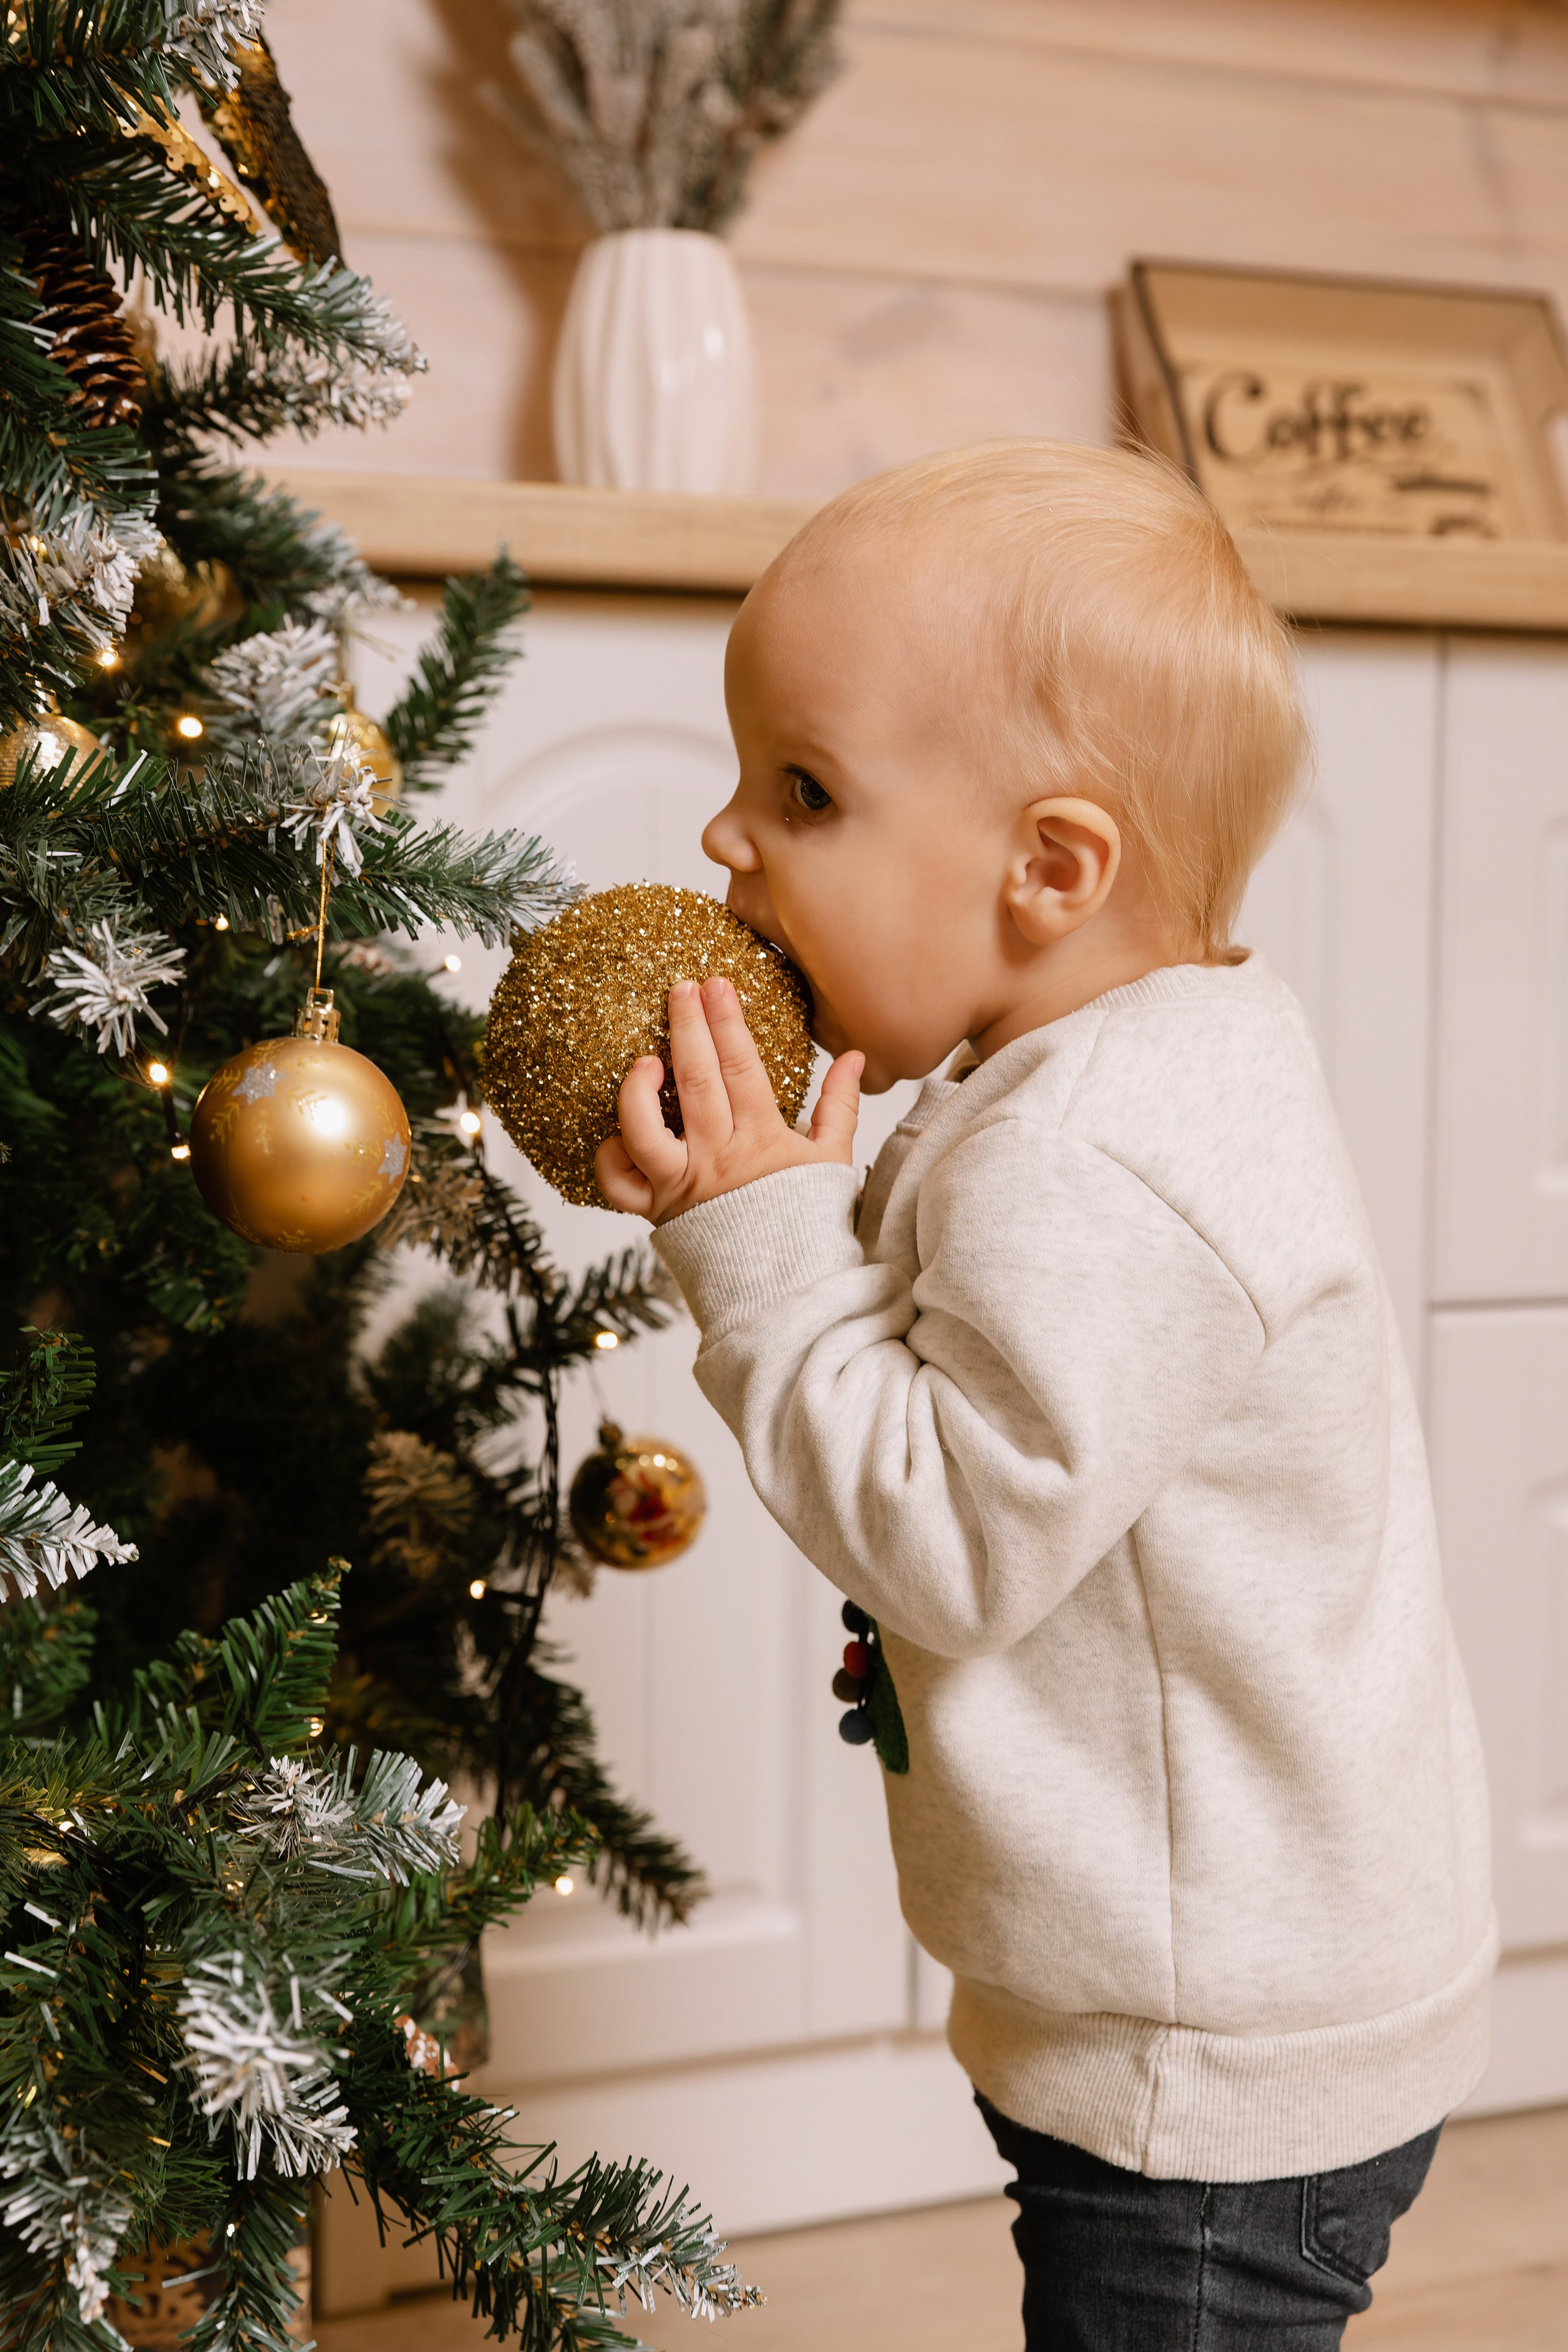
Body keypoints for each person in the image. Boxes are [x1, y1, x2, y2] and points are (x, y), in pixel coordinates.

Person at [594, 441, 1495, 2348]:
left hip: (1213, 2051)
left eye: (808, 789)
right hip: (1196, 1981)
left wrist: (762, 1244)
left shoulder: (1089, 1161)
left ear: (1050, 868)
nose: (725, 844)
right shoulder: (1112, 1068)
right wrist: (788, 1204)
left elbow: (949, 1540)